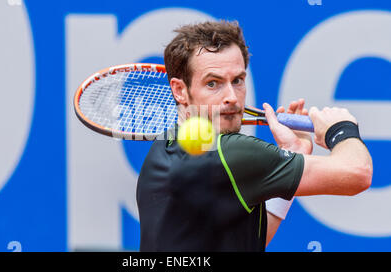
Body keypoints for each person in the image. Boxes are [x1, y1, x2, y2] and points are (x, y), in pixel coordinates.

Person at [136, 20, 373, 251]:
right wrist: (341, 129)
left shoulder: (162, 150)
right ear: (180, 90)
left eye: (237, 80)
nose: (231, 96)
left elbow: (244, 241)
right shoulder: (231, 154)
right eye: (213, 83)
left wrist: (296, 153)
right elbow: (358, 173)